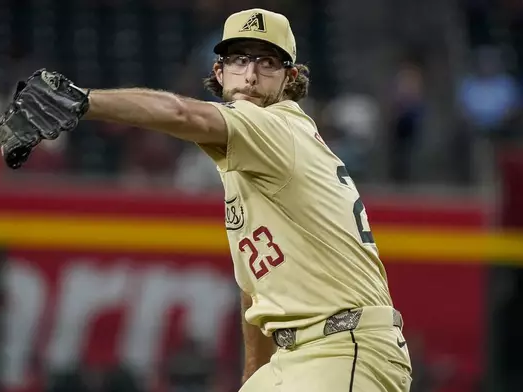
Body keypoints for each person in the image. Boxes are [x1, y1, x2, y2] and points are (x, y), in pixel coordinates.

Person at [38, 8, 413, 391]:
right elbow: (256, 288)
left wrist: (82, 100)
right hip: (298, 356)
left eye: (267, 62)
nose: (250, 75)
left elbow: (182, 113)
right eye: (238, 59)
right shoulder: (247, 158)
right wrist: (255, 374)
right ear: (219, 72)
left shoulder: (275, 126)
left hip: (341, 350)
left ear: (291, 78)